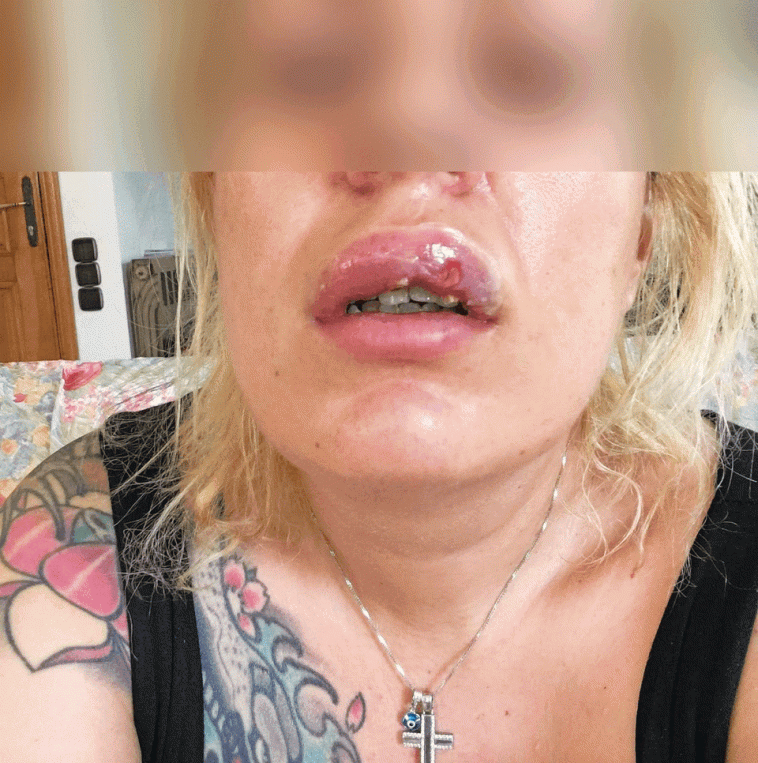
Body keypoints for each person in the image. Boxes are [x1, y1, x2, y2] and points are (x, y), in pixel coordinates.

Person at [2, 171, 757, 763]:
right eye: (310, 71)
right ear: (214, 197)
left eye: (526, 74)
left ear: (644, 227)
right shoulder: (72, 544)